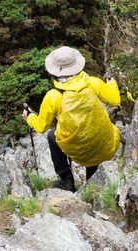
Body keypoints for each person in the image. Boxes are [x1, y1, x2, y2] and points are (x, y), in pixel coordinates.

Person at [22, 46, 121, 192]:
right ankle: (92, 185)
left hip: (77, 148)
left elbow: (41, 126)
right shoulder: (93, 83)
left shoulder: (53, 96)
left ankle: (66, 180)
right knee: (92, 132)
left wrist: (29, 117)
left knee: (51, 136)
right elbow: (115, 100)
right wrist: (111, 83)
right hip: (102, 143)